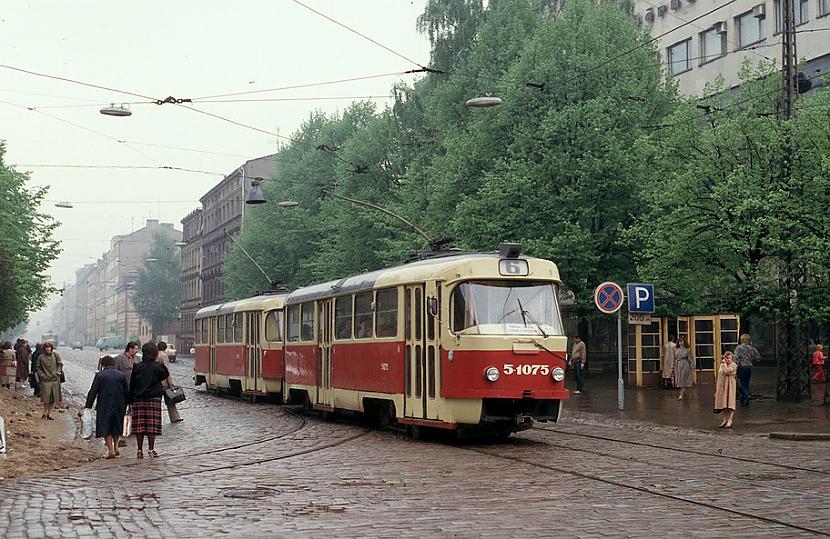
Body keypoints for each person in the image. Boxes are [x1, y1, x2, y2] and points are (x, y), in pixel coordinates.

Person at [129, 342, 170, 459]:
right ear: (155, 353)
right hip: (154, 398)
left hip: (138, 399)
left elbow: (132, 384)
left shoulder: (137, 366)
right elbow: (165, 374)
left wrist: (130, 399)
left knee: (139, 427)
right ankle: (151, 450)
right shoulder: (158, 366)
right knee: (152, 426)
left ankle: (139, 450)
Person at [84, 355, 128, 459]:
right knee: (116, 425)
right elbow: (126, 391)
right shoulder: (121, 375)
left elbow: (93, 391)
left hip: (104, 404)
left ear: (103, 364)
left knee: (106, 427)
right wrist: (127, 403)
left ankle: (110, 450)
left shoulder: (100, 375)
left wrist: (88, 405)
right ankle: (116, 447)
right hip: (119, 404)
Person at [157, 341, 182, 423]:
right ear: (165, 348)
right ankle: (174, 417)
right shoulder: (164, 355)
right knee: (170, 399)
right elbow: (166, 370)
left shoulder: (156, 354)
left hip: (156, 382)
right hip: (164, 382)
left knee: (157, 400)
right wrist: (170, 383)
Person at [36, 342, 63, 420]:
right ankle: (45, 411)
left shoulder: (55, 355)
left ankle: (49, 413)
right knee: (46, 397)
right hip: (45, 380)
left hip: (55, 380)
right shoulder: (41, 357)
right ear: (44, 348)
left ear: (51, 348)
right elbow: (38, 367)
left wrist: (57, 372)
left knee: (53, 397)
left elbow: (60, 364)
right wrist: (42, 375)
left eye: (49, 347)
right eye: (46, 347)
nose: (48, 349)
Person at [733, 333, 760, 406]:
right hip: (749, 367)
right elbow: (758, 358)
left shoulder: (738, 348)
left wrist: (735, 368)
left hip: (741, 367)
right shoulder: (752, 348)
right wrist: (751, 360)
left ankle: (746, 395)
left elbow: (735, 359)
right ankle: (745, 398)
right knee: (746, 382)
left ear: (741, 340)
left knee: (741, 383)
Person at [714, 351, 738, 428]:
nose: (729, 359)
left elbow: (727, 371)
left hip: (730, 385)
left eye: (730, 358)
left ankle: (730, 420)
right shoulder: (722, 365)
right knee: (724, 404)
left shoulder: (733, 365)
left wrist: (724, 365)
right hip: (723, 386)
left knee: (730, 403)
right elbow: (720, 375)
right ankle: (725, 419)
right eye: (727, 358)